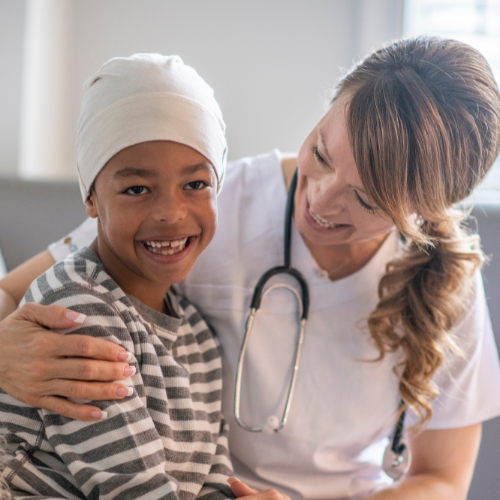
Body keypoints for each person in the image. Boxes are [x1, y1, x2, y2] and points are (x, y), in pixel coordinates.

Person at [0, 37, 500, 500]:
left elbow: (442, 478)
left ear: (423, 212)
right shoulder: (208, 206)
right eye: (321, 153)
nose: (321, 199)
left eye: (366, 199)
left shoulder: (447, 279)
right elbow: (17, 292)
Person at [0, 53, 234, 499]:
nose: (170, 212)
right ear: (91, 198)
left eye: (196, 184)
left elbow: (215, 478)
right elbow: (133, 491)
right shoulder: (74, 307)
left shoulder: (201, 338)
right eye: (137, 189)